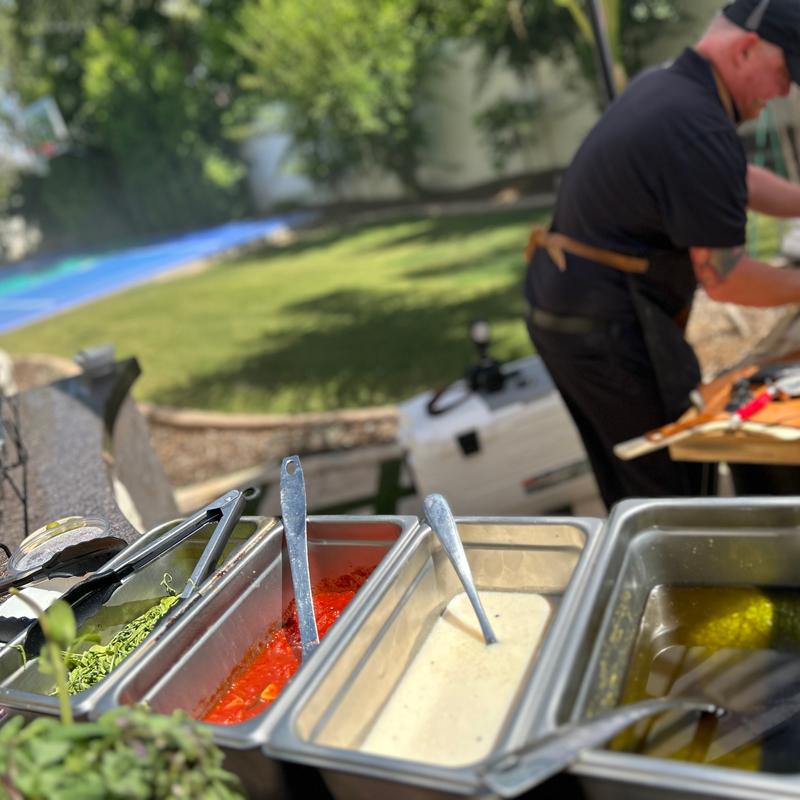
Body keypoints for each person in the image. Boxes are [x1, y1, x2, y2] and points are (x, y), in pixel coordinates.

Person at [523, 0, 800, 511]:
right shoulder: (698, 124)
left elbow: (733, 178)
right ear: (745, 49)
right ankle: (667, 562)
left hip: (564, 308)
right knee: (670, 494)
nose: (784, 91)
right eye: (785, 73)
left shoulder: (671, 86)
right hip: (604, 327)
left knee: (635, 484)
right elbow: (727, 279)